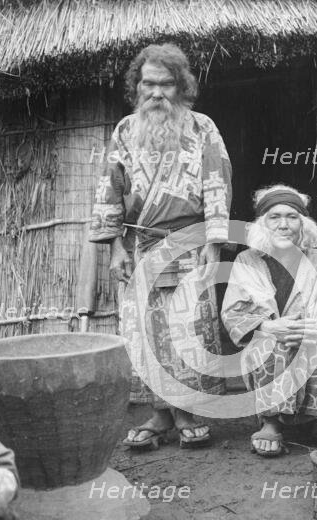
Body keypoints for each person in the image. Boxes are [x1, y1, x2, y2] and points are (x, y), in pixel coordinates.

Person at [89, 43, 231, 449]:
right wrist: (115, 248)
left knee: (188, 330)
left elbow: (217, 184)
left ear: (180, 86)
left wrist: (214, 245)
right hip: (139, 249)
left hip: (189, 244)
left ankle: (186, 412)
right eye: (148, 84)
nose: (156, 93)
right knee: (144, 333)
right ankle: (159, 413)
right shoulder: (123, 131)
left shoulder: (203, 128)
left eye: (166, 84)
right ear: (137, 86)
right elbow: (109, 191)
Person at [221, 185, 317, 457]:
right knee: (271, 345)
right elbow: (233, 312)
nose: (284, 224)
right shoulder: (247, 260)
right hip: (265, 342)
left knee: (316, 344)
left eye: (292, 217)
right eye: (274, 217)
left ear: (303, 223)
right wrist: (268, 326)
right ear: (262, 224)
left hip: (311, 339)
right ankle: (271, 422)